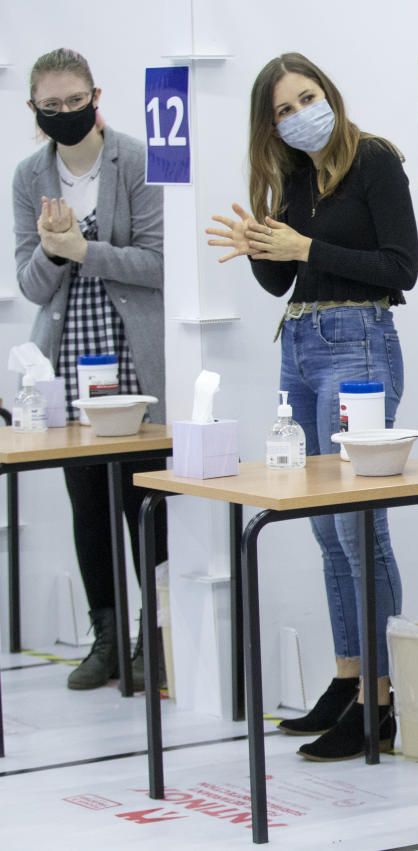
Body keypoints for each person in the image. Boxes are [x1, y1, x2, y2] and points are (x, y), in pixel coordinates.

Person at [206, 53, 418, 761]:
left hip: (358, 340)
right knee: (324, 523)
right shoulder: (295, 179)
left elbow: (400, 267)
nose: (300, 114)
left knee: (361, 524)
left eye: (307, 97)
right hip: (297, 341)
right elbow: (280, 281)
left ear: (330, 92)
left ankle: (381, 699)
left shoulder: (375, 161)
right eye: (282, 111)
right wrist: (261, 244)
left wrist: (306, 244)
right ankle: (349, 676)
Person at [11, 48, 169, 692]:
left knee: (143, 500)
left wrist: (84, 248)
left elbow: (159, 264)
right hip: (71, 360)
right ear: (34, 111)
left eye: (76, 102)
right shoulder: (29, 175)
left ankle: (152, 638)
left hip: (138, 363)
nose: (66, 114)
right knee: (87, 503)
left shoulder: (134, 159)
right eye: (52, 107)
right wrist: (55, 254)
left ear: (96, 96)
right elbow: (30, 284)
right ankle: (106, 635)